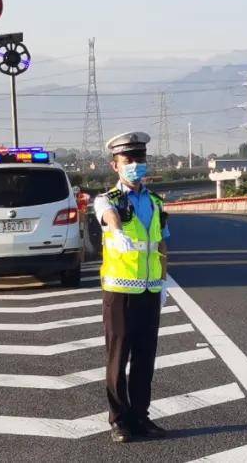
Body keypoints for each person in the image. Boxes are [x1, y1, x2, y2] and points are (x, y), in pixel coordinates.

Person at [94, 131, 170, 443]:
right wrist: (117, 230)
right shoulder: (109, 200)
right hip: (121, 292)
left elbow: (162, 242)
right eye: (128, 160)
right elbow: (108, 216)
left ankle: (141, 416)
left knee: (145, 357)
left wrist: (164, 280)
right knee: (118, 356)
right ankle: (119, 420)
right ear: (116, 166)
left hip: (150, 291)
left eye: (139, 159)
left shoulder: (155, 202)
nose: (135, 165)